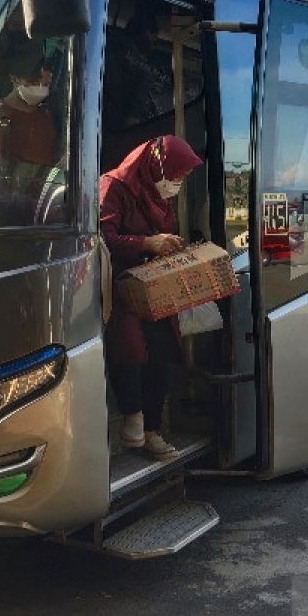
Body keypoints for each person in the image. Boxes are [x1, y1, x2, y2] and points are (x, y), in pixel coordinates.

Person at [100, 134, 202, 459]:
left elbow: (161, 233)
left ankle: (153, 431)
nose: (177, 184)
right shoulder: (113, 186)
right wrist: (146, 244)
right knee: (130, 347)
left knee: (162, 352)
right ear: (156, 165)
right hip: (118, 286)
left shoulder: (158, 194)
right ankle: (133, 417)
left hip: (153, 285)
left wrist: (168, 246)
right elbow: (101, 236)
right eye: (175, 176)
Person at [0, 42, 58, 166]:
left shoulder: (46, 115)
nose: (40, 88)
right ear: (14, 78)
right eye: (34, 82)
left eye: (46, 85)